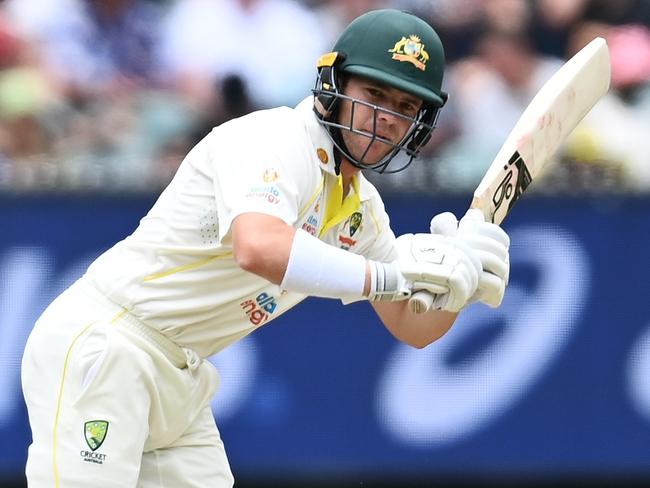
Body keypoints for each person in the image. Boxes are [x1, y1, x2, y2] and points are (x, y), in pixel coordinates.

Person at [21, 9, 510, 487]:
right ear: (333, 86)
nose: (385, 119)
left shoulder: (361, 207)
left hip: (181, 374)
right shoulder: (273, 139)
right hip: (109, 345)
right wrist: (392, 276)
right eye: (375, 94)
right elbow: (258, 246)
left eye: (405, 107)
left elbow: (412, 324)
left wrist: (460, 280)